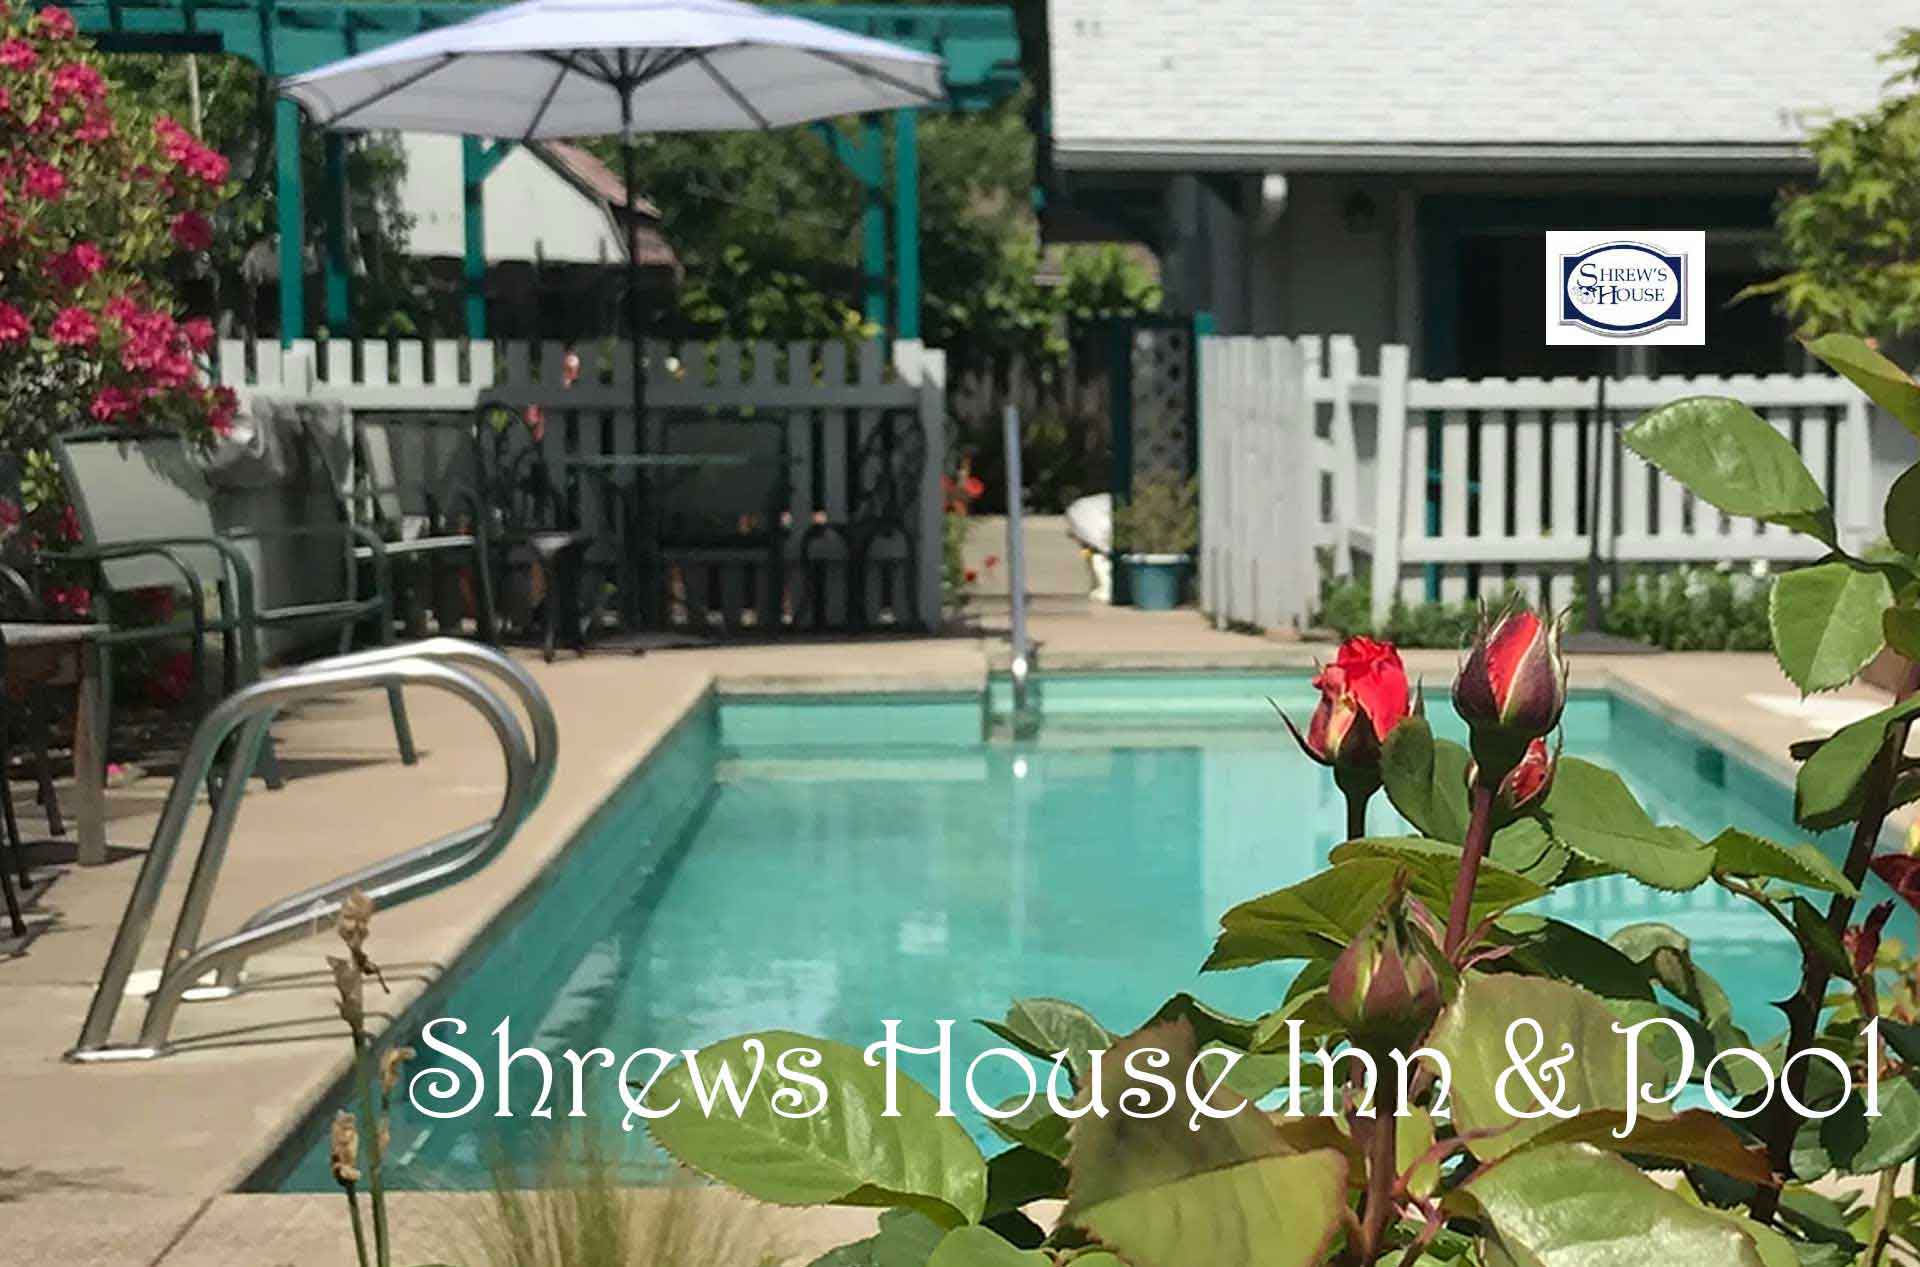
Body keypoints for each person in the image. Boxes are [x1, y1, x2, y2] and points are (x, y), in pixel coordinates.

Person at [1064, 492, 1112, 603]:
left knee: (1095, 560)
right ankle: (1100, 586)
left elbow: (1082, 537)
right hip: (1095, 537)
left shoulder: (1076, 510)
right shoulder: (1082, 507)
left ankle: (1104, 588)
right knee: (1093, 558)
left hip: (1093, 540)